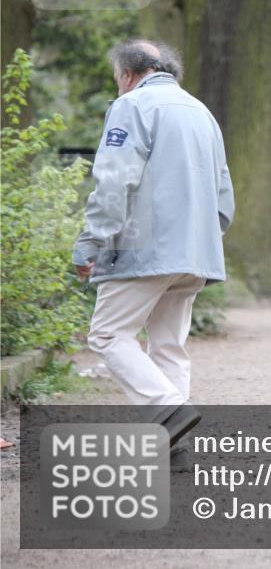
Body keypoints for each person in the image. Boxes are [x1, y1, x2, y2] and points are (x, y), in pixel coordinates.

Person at [72, 39, 235, 457]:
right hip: (195, 252)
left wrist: (90, 241)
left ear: (128, 74)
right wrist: (203, 240)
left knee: (108, 334)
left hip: (144, 248)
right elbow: (223, 196)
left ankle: (168, 411)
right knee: (168, 346)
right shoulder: (202, 113)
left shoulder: (131, 106)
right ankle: (176, 448)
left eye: (117, 79)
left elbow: (113, 181)